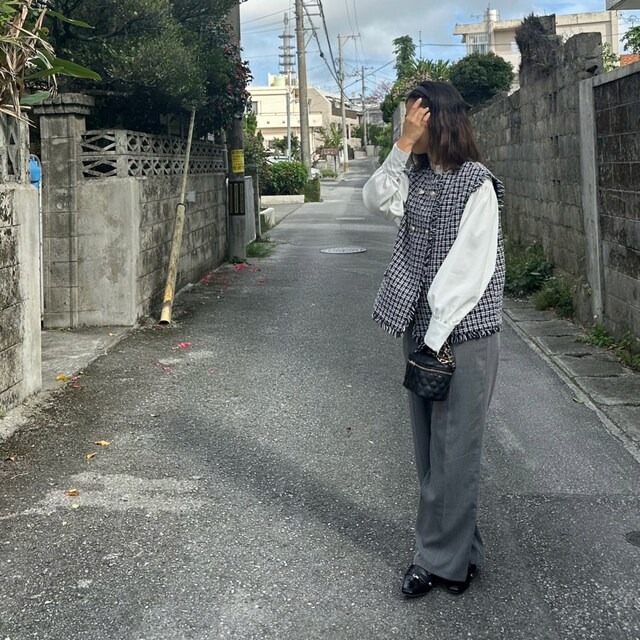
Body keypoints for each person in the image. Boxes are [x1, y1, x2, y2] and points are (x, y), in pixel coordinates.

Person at [362, 81, 505, 597]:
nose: (408, 124)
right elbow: (375, 199)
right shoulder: (416, 178)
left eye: (414, 117)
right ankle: (462, 553)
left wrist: (436, 335)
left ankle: (435, 561)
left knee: (455, 449)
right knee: (431, 449)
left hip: (462, 333)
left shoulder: (477, 183)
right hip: (420, 329)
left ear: (436, 118)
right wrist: (401, 145)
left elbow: (469, 270)